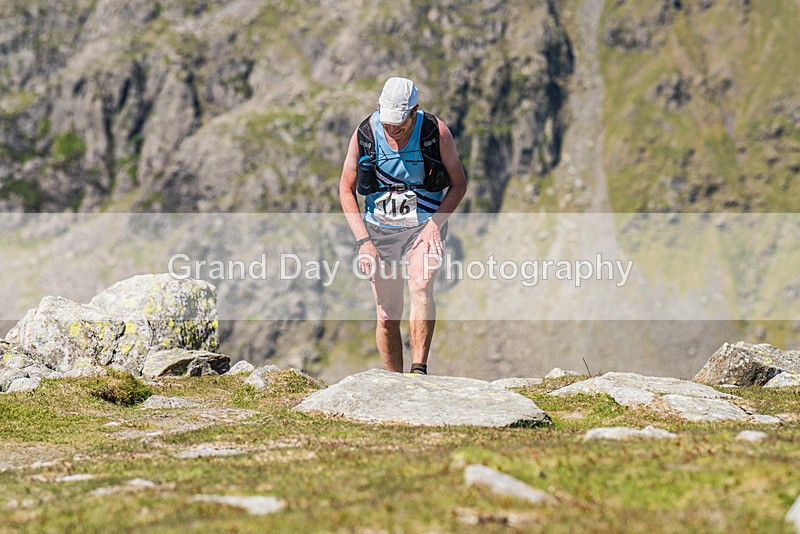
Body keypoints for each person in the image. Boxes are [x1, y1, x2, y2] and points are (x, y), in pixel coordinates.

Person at [339, 76, 467, 375]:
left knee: (421, 286)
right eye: (388, 123)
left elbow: (459, 185)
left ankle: (418, 370)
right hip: (378, 230)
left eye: (400, 124)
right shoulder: (366, 132)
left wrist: (435, 224)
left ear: (414, 111)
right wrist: (363, 242)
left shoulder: (437, 133)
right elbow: (346, 189)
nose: (393, 130)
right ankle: (395, 382)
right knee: (387, 315)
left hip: (423, 225)